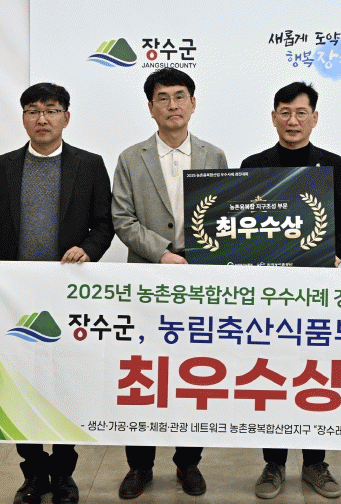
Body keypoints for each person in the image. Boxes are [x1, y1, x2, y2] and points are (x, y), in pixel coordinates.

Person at [0, 83, 114, 504]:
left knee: (65, 382)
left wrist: (89, 249)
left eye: (51, 110)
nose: (42, 119)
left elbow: (104, 223)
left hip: (68, 293)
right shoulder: (2, 167)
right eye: (33, 110)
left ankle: (63, 474)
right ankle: (33, 473)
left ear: (66, 117)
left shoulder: (90, 165)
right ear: (23, 117)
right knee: (20, 381)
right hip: (16, 296)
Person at [240, 81, 341, 499]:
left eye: (301, 112)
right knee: (271, 371)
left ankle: (315, 463)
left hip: (315, 289)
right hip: (268, 292)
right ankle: (273, 463)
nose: (293, 121)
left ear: (314, 118)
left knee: (313, 371)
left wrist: (333, 252)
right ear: (273, 117)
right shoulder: (253, 165)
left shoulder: (334, 165)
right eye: (285, 112)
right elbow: (240, 222)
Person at [111, 67, 227, 499]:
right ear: (150, 107)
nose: (172, 105)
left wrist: (199, 257)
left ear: (193, 104)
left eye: (180, 96)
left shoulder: (214, 156)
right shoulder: (130, 158)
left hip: (200, 280)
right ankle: (139, 466)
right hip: (147, 277)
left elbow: (224, 216)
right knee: (143, 373)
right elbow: (122, 219)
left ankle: (188, 463)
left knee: (193, 373)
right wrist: (162, 253)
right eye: (163, 98)